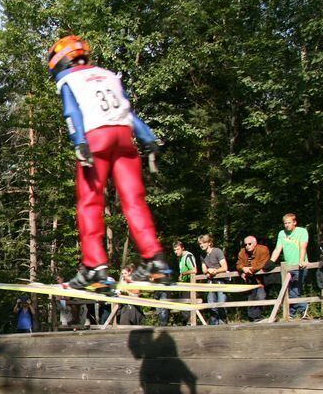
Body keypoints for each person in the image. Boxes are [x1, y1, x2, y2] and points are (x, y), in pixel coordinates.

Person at [47, 35, 171, 290]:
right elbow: (128, 112)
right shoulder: (108, 75)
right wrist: (149, 138)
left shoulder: (69, 78)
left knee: (90, 202)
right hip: (124, 136)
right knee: (134, 200)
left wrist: (79, 142)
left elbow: (72, 112)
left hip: (96, 137)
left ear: (60, 61)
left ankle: (95, 267)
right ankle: (154, 259)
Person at [269, 213, 310, 319]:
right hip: (287, 266)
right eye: (285, 223)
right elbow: (278, 248)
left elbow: (303, 247)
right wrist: (270, 262)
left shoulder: (302, 231)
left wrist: (301, 260)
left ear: (294, 222)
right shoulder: (282, 233)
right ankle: (296, 311)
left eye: (289, 223)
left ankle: (297, 310)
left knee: (294, 290)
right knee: (288, 289)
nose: (287, 225)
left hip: (299, 266)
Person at [236, 236, 271, 322]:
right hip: (250, 279)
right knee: (251, 297)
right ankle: (253, 318)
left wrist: (249, 269)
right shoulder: (242, 252)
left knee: (261, 296)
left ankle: (258, 316)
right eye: (245, 244)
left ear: (255, 243)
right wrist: (243, 269)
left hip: (262, 278)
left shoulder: (263, 249)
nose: (247, 246)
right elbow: (238, 264)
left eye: (249, 244)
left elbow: (262, 263)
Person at [198, 234, 228, 325]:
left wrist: (215, 271)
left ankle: (223, 324)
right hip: (210, 282)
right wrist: (208, 271)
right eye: (200, 243)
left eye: (203, 243)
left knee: (221, 303)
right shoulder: (202, 255)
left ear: (209, 243)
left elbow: (225, 267)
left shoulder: (217, 251)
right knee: (211, 304)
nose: (201, 245)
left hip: (220, 280)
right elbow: (204, 269)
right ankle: (214, 325)